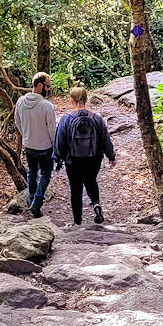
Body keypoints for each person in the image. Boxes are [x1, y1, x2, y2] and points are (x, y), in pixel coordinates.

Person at [54, 86, 114, 225]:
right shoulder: (96, 118)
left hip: (73, 161)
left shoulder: (66, 119)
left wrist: (57, 158)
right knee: (91, 180)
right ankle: (96, 204)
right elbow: (105, 139)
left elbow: (60, 141)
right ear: (87, 99)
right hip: (93, 159)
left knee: (76, 189)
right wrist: (111, 156)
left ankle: (78, 221)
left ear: (71, 100)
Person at [14, 72, 58, 218]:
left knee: (32, 173)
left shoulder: (20, 102)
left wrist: (26, 135)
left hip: (29, 145)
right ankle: (37, 203)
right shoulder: (46, 106)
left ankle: (32, 200)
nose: (49, 89)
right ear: (39, 86)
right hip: (45, 147)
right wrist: (56, 146)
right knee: (45, 175)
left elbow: (17, 122)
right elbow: (52, 129)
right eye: (47, 86)